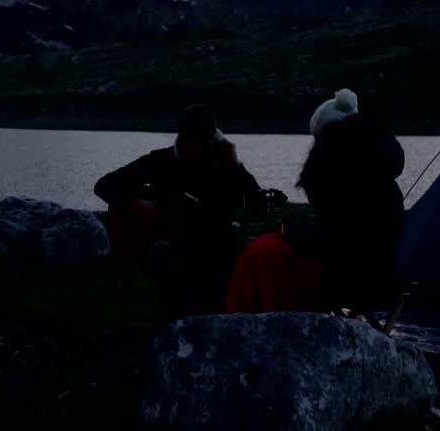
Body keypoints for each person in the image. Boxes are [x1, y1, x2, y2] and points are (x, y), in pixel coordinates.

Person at [225, 89, 406, 324]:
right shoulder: (382, 180)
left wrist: (293, 234)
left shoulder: (345, 173)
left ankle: (258, 326)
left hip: (348, 276)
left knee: (262, 256)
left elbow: (339, 241)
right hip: (380, 274)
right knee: (272, 249)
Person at [94, 104, 281, 318]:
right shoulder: (160, 161)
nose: (193, 145)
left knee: (234, 258)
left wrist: (236, 167)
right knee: (168, 258)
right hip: (172, 246)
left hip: (214, 246)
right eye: (189, 138)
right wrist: (136, 204)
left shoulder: (224, 168)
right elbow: (105, 184)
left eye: (200, 140)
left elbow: (262, 208)